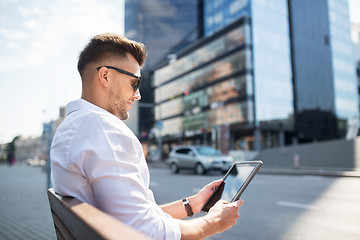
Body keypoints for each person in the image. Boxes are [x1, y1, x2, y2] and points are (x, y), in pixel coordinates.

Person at [50, 33, 243, 240]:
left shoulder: (69, 128)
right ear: (105, 76)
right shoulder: (105, 130)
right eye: (134, 83)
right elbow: (144, 231)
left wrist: (193, 204)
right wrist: (213, 222)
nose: (138, 94)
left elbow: (133, 216)